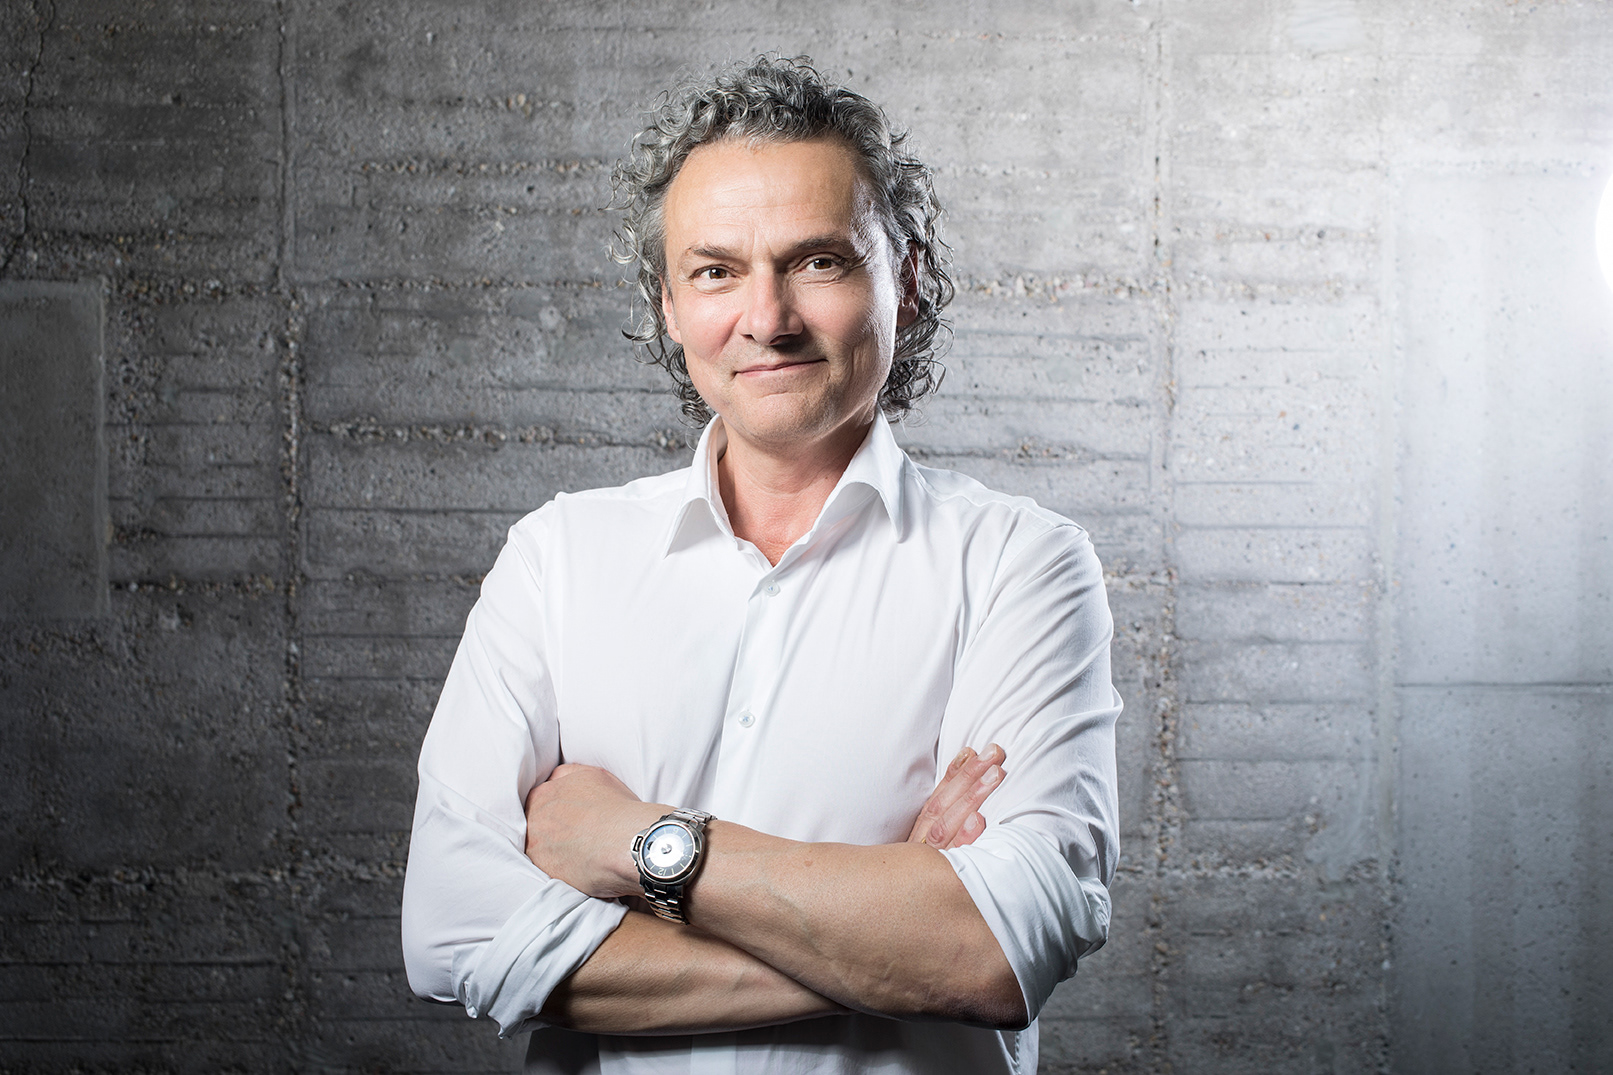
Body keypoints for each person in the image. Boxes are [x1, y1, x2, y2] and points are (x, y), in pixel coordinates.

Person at [401, 55, 1121, 1075]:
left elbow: (997, 952)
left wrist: (640, 842)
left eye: (817, 261)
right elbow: (452, 932)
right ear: (667, 304)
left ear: (906, 281)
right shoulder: (557, 557)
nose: (767, 317)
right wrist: (893, 918)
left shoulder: (1018, 564)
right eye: (715, 271)